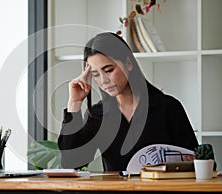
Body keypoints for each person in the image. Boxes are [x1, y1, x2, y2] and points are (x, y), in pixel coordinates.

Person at [57, 32, 199, 171]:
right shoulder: (97, 115)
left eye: (109, 70)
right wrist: (74, 103)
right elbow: (72, 162)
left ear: (128, 63)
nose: (103, 80)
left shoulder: (167, 108)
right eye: (95, 74)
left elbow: (196, 162)